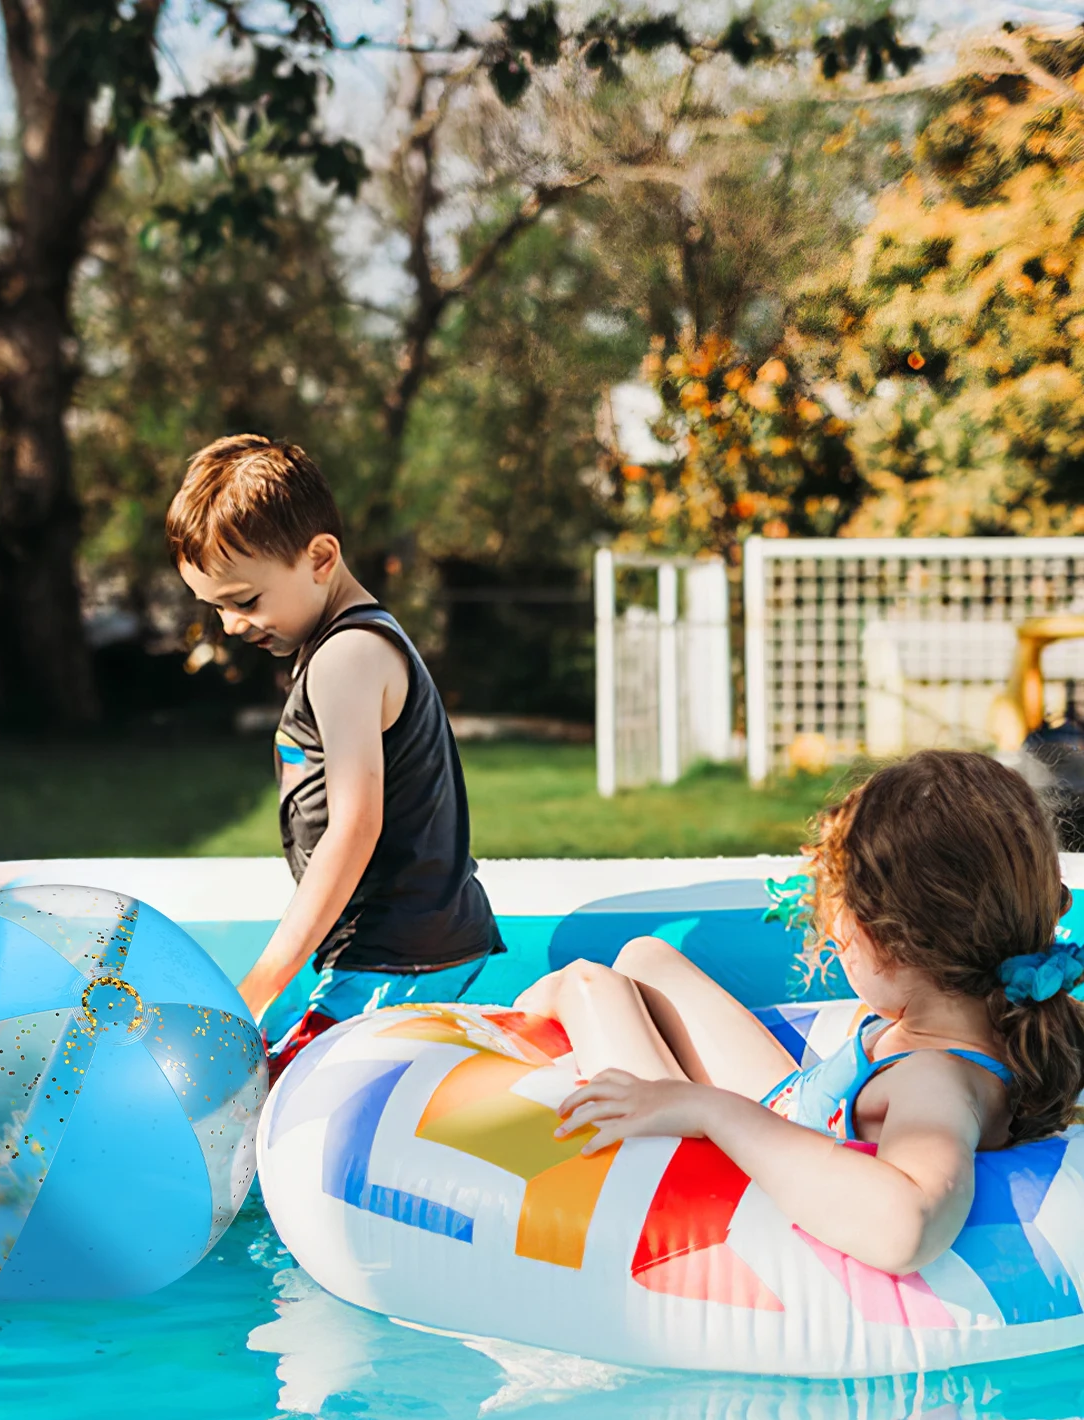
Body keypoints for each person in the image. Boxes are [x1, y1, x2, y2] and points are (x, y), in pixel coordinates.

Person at [518, 749, 1084, 1276]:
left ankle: (511, 1031)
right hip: (793, 1106)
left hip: (722, 1166)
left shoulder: (935, 1081)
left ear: (894, 939)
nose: (832, 931)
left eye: (839, 909)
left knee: (589, 985)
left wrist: (708, 1110)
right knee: (645, 957)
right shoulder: (999, 1011)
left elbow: (904, 1227)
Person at [166, 434, 502, 1073]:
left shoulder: (346, 657)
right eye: (217, 608)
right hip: (406, 945)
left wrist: (261, 982)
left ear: (320, 558)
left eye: (245, 601)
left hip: (393, 954)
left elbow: (354, 827)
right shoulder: (354, 643)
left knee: (262, 1096)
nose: (233, 625)